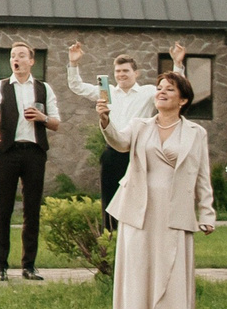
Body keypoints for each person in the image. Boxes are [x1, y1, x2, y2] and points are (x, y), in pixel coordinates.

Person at [102, 68, 216, 309]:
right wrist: (106, 120)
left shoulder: (196, 132)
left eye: (169, 89)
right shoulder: (140, 125)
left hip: (175, 205)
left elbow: (203, 175)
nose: (161, 92)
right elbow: (119, 142)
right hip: (139, 203)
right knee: (136, 261)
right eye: (159, 88)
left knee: (173, 261)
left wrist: (207, 214)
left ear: (183, 100)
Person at [67, 42, 176, 225]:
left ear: (136, 73)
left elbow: (173, 90)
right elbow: (77, 86)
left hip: (140, 152)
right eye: (118, 71)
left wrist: (177, 63)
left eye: (125, 71)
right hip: (113, 152)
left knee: (141, 199)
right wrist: (74, 63)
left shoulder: (147, 92)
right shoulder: (106, 92)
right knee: (110, 199)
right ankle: (110, 239)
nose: (121, 75)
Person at [0, 43, 61, 281]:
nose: (16, 60)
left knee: (32, 209)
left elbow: (57, 122)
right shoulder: (0, 86)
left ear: (31, 61)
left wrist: (43, 117)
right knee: (3, 209)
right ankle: (1, 265)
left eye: (21, 56)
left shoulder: (43, 88)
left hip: (34, 152)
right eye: (12, 56)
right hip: (8, 151)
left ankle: (29, 265)